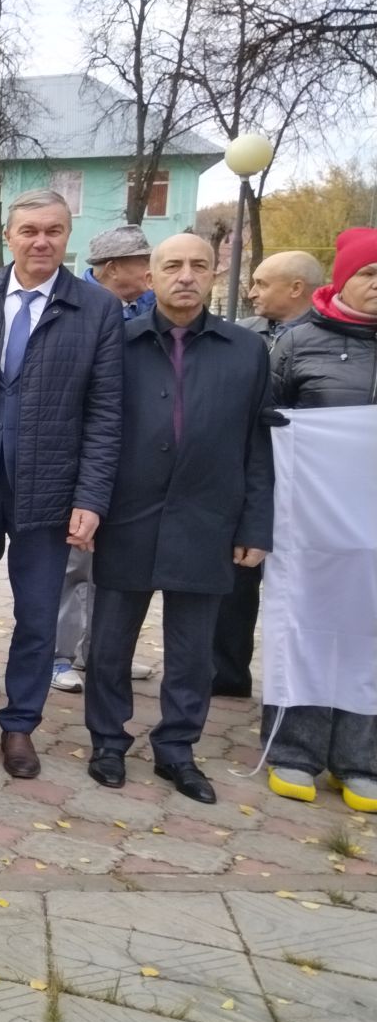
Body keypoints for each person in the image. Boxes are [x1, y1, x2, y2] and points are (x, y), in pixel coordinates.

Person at [0, 188, 123, 779]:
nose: (41, 241)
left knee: (37, 614)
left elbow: (106, 410)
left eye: (54, 231)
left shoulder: (96, 309)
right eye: (29, 230)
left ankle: (20, 724)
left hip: (50, 490)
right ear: (7, 237)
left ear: (69, 237)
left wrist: (91, 496)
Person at [83, 234, 272, 804]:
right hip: (127, 515)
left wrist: (256, 525)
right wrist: (88, 506)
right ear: (150, 276)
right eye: (172, 266)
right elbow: (93, 428)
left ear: (215, 274)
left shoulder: (246, 350)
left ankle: (177, 749)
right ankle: (108, 742)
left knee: (193, 650)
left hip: (208, 518)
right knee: (111, 642)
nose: (185, 276)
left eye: (198, 266)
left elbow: (258, 443)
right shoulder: (118, 343)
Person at [261, 228, 377, 811]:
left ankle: (361, 758)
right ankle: (295, 749)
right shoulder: (299, 341)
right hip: (312, 517)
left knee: (370, 635)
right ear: (344, 278)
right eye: (369, 274)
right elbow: (265, 421)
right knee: (306, 623)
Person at [50, 225, 157, 695]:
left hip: (129, 458)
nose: (150, 271)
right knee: (73, 563)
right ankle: (57, 655)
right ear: (113, 268)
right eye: (142, 262)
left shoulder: (143, 310)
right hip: (79, 458)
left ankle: (102, 651)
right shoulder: (72, 307)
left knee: (112, 565)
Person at [215, 249, 325, 696]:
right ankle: (226, 672)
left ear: (296, 288)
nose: (252, 291)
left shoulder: (333, 339)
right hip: (249, 472)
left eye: (261, 283)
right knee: (237, 576)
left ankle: (303, 684)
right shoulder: (245, 336)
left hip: (312, 483)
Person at [243, 250, 324, 342]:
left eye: (261, 284)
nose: (251, 295)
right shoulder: (240, 333)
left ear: (296, 289)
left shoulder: (330, 341)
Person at [86, 224, 155, 320]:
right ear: (113, 269)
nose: (152, 270)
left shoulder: (155, 300)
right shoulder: (76, 308)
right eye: (146, 262)